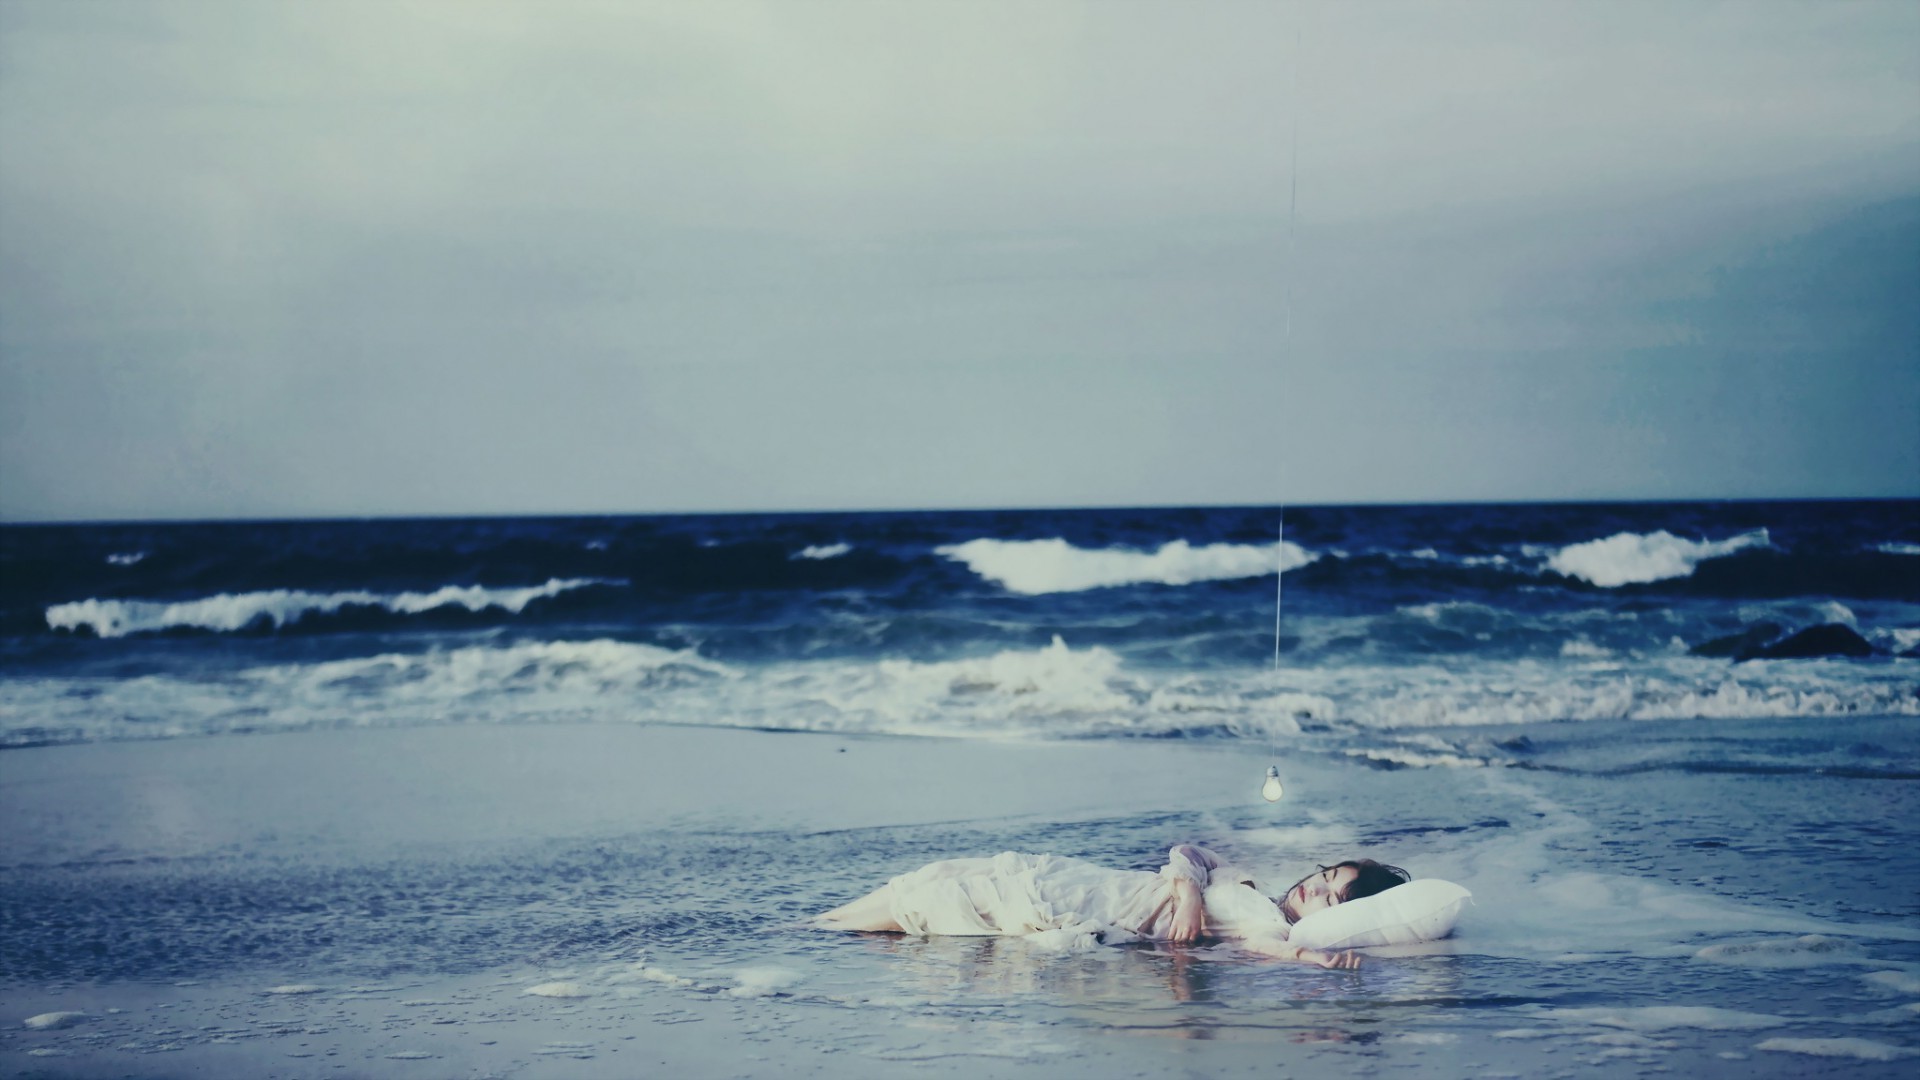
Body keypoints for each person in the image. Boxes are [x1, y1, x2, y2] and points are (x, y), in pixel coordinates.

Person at [817, 844, 1410, 969]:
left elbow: (1268, 948)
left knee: (920, 905)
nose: (1317, 889)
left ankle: (789, 936)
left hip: (1071, 904)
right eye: (1326, 876)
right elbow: (1191, 853)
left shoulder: (1267, 924)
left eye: (1331, 899)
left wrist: (1316, 961)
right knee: (922, 880)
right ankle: (790, 931)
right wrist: (1187, 893)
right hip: (1081, 879)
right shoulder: (1252, 887)